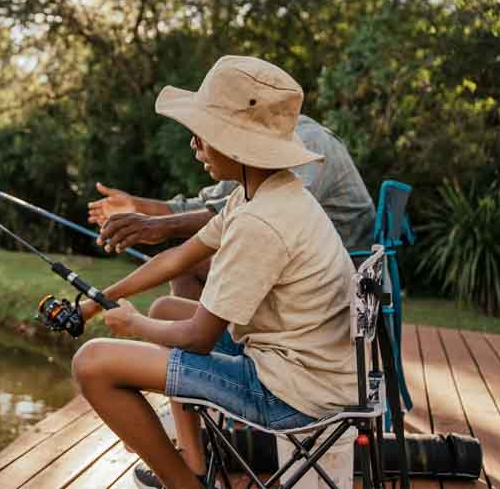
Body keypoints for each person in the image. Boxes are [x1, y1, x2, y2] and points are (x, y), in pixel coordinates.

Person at [71, 56, 357, 489]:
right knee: (169, 306)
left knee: (91, 364)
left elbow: (198, 338)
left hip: (292, 393)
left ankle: (185, 487)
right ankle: (194, 463)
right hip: (302, 367)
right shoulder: (263, 193)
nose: (195, 147)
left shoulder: (259, 223)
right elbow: (177, 259)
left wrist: (133, 323)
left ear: (238, 143)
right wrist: (95, 300)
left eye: (203, 136)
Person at [88, 115, 375, 299]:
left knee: (191, 269)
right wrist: (138, 206)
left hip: (335, 279)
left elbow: (261, 215)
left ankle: (209, 368)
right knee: (180, 283)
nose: (194, 142)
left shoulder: (306, 144)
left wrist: (160, 227)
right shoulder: (251, 160)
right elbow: (208, 207)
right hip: (303, 268)